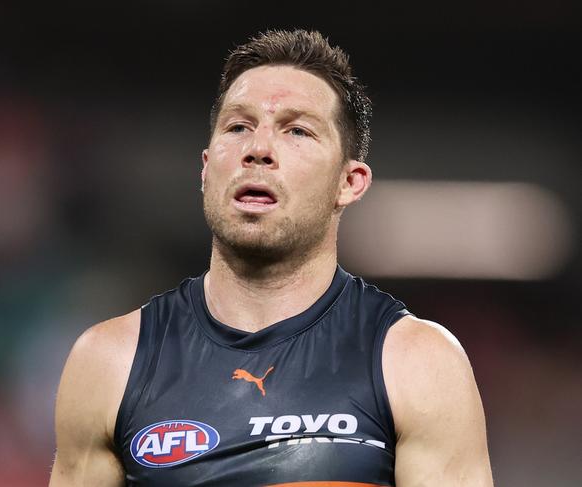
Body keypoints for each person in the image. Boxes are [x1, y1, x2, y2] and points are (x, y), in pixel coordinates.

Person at [49, 29, 494, 486]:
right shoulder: (109, 362)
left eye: (297, 130)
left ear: (350, 182)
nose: (257, 150)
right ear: (206, 168)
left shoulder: (417, 363)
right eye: (238, 127)